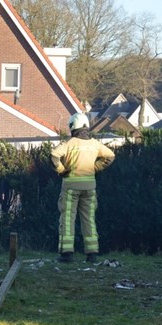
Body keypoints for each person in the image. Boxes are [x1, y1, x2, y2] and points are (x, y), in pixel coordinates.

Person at [51, 112, 116, 263]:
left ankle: (66, 254)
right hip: (90, 188)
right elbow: (111, 156)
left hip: (71, 187)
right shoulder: (95, 144)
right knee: (89, 219)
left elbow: (54, 156)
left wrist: (62, 170)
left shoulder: (69, 144)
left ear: (73, 126)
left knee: (67, 219)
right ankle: (92, 253)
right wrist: (96, 168)